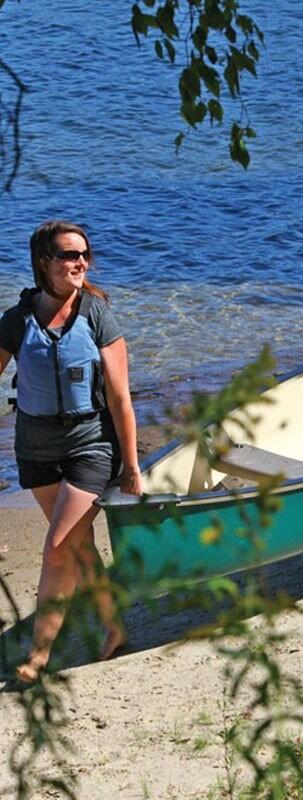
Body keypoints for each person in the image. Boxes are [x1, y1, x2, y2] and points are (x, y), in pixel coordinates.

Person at [0, 220, 142, 683]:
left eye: (84, 253)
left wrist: (132, 467)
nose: (80, 261)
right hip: (36, 449)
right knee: (79, 547)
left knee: (58, 548)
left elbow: (121, 398)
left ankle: (39, 655)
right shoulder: (18, 320)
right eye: (68, 254)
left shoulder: (97, 314)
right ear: (44, 262)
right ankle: (113, 627)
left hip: (91, 446)